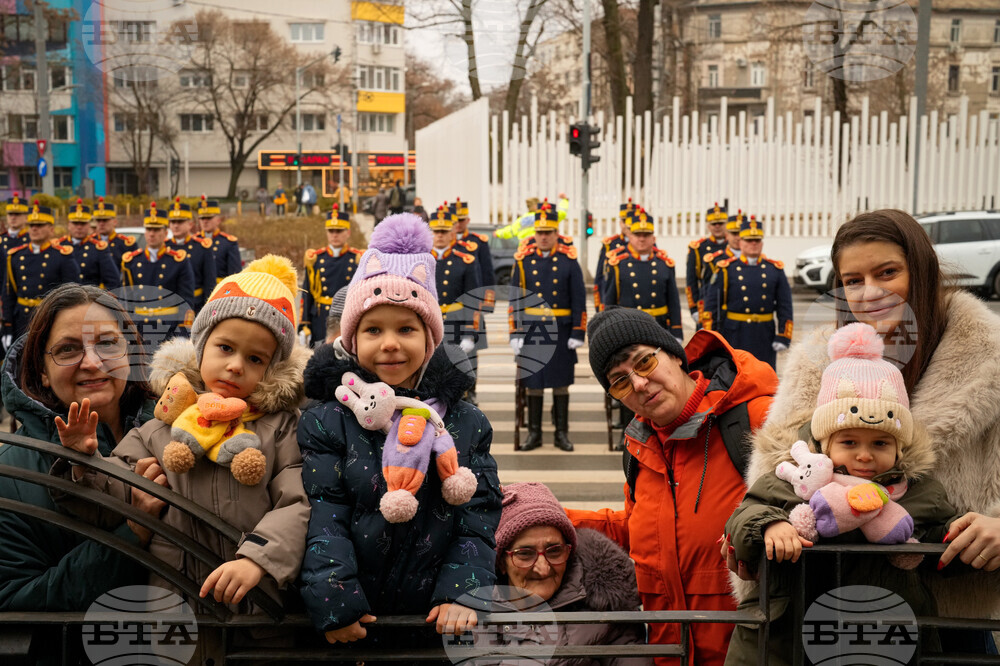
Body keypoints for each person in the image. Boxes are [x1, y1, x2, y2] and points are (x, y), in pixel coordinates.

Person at [729, 208, 1000, 655]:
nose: (869, 293)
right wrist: (753, 531)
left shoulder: (988, 359)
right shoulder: (814, 364)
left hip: (948, 615)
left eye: (887, 272)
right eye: (853, 280)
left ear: (923, 272)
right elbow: (771, 478)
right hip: (823, 610)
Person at [59, 257, 312, 664]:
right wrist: (86, 462)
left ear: (272, 370)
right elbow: (115, 491)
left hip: (257, 611)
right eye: (225, 348)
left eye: (255, 359)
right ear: (200, 348)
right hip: (173, 610)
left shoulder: (281, 429)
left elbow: (298, 503)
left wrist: (259, 559)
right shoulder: (161, 425)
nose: (235, 365)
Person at [297, 213, 501, 647]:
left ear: (429, 340)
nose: (390, 343)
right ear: (352, 342)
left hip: (438, 618)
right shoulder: (326, 420)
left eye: (406, 329)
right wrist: (335, 600)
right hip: (357, 617)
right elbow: (325, 515)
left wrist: (463, 591)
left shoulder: (464, 422)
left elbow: (478, 516)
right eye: (373, 330)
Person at [723, 323, 958, 665]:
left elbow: (945, 543)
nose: (864, 455)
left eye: (880, 443)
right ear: (824, 442)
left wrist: (964, 534)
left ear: (900, 448)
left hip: (882, 638)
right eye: (849, 442)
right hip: (785, 640)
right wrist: (770, 526)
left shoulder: (919, 493)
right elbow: (745, 515)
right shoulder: (794, 477)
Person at [568, 307, 778, 665]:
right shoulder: (638, 448)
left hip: (749, 653)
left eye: (644, 362)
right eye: (619, 382)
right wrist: (553, 517)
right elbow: (639, 529)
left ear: (675, 355)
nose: (637, 384)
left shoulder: (755, 420)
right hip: (671, 653)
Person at [0, 284, 162, 615]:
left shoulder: (183, 434)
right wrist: (131, 534)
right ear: (43, 373)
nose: (91, 362)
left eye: (107, 343)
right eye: (68, 350)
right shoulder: (9, 474)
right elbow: (13, 599)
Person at [478, 482, 653, 665]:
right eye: (525, 554)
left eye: (554, 551)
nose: (543, 568)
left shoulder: (606, 608)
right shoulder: (472, 611)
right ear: (501, 563)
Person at [509, 205, 586, 452]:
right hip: (532, 331)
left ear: (556, 233)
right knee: (534, 383)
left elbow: (579, 299)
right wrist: (515, 333)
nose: (544, 236)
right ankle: (535, 434)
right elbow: (516, 300)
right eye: (540, 232)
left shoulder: (568, 260)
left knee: (561, 382)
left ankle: (561, 434)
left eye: (549, 232)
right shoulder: (523, 260)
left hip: (561, 331)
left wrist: (577, 332)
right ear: (534, 232)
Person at [702, 216, 793, 370]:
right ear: (741, 242)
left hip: (764, 334)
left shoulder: (774, 270)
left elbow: (785, 306)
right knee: (736, 377)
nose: (753, 244)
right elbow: (712, 306)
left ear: (762, 243)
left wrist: (783, 335)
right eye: (748, 240)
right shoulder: (726, 269)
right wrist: (712, 336)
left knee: (764, 377)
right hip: (735, 334)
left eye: (757, 240)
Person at [3, 202, 80, 342]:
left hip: (49, 320)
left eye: (40, 225)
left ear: (51, 229)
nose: (34, 229)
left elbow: (72, 295)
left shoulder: (62, 256)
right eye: (31, 225)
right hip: (22, 321)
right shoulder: (16, 256)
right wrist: (7, 325)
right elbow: (9, 294)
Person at [120, 202, 195, 345]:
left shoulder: (178, 261)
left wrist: (183, 333)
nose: (152, 233)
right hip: (140, 329)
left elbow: (186, 300)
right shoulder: (132, 261)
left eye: (156, 229)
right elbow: (127, 300)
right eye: (148, 229)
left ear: (166, 233)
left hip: (169, 329)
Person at [601, 211, 683, 340]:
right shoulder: (618, 265)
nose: (642, 239)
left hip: (658, 328)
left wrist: (676, 331)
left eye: (646, 234)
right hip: (627, 328)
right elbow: (610, 302)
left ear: (653, 238)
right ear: (630, 236)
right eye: (637, 234)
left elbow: (673, 301)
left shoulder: (665, 264)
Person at [430, 206, 481, 403]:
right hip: (430, 324)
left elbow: (473, 300)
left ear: (452, 232)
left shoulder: (465, 260)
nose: (440, 236)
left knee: (457, 381)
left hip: (456, 325)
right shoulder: (421, 260)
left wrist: (470, 333)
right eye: (436, 231)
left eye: (444, 231)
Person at [300, 205, 363, 347]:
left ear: (348, 233)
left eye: (339, 231)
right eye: (331, 231)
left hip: (346, 317)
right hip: (321, 319)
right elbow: (307, 294)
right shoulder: (315, 259)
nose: (335, 235)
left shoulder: (357, 259)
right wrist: (304, 324)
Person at [452, 197, 494, 405]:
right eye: (455, 220)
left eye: (461, 220)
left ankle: (472, 388)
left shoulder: (478, 242)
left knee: (471, 351)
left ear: (467, 220)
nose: (458, 224)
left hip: (471, 305)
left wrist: (486, 304)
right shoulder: (440, 242)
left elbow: (487, 274)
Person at [167, 197, 217, 310]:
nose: (175, 225)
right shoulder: (165, 247)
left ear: (190, 224)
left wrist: (207, 308)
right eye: (173, 222)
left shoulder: (202, 247)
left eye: (180, 222)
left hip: (196, 305)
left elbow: (209, 283)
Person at [685, 203, 729, 329]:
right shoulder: (699, 248)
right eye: (713, 223)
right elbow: (691, 281)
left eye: (720, 223)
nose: (717, 226)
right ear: (708, 225)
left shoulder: (735, 247)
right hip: (706, 304)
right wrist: (693, 308)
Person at [61, 199, 120, 289]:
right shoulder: (59, 247)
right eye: (75, 223)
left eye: (83, 223)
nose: (79, 227)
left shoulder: (98, 248)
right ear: (68, 225)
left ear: (89, 225)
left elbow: (113, 281)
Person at [594, 201, 636, 314]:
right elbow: (600, 277)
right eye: (624, 221)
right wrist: (599, 305)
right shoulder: (610, 244)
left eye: (630, 221)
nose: (627, 224)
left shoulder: (645, 244)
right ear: (619, 223)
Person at [197, 196, 242, 280]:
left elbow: (234, 275)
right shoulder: (195, 242)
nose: (205, 221)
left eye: (209, 218)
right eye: (202, 218)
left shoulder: (228, 243)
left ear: (218, 220)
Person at [92, 197, 137, 267]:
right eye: (98, 220)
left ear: (115, 222)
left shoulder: (125, 244)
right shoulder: (91, 242)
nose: (101, 223)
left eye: (105, 220)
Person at [2, 191, 30, 259]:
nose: (13, 217)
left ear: (26, 218)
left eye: (17, 214)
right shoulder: (1, 239)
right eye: (10, 214)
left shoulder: (32, 239)